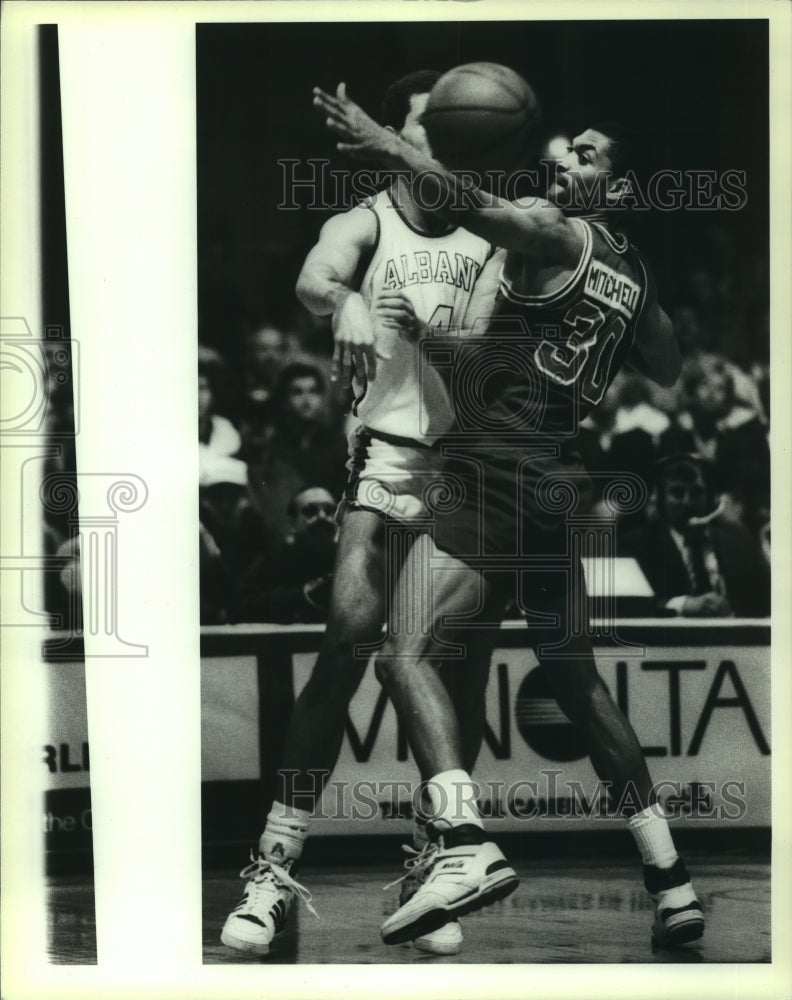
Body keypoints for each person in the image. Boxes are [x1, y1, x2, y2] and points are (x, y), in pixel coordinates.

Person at [314, 84, 705, 949]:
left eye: (589, 154)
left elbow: (465, 202)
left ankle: (462, 842)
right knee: (581, 685)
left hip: (493, 476)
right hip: (559, 484)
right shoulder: (636, 280)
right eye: (569, 147)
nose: (566, 155)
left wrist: (386, 140)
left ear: (618, 189)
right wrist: (452, 341)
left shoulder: (557, 229)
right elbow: (671, 368)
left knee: (402, 652)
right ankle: (672, 881)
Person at [220, 71, 502, 957]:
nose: (435, 134)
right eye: (427, 118)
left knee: (445, 669)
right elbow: (314, 274)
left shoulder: (496, 224)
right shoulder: (367, 217)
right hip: (386, 456)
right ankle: (272, 868)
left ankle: (436, 859)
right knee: (346, 639)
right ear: (404, 129)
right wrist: (341, 300)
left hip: (470, 472)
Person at [617, 453, 770, 617]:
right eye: (677, 493)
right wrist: (682, 605)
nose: (688, 502)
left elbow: (766, 603)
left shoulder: (738, 543)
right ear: (661, 500)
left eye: (697, 492)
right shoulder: (633, 546)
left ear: (711, 499)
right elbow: (623, 606)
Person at [231, 485, 339, 624]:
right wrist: (302, 596)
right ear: (292, 523)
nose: (322, 517)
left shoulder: (350, 561)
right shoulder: (274, 561)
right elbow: (238, 608)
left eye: (330, 511)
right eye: (310, 511)